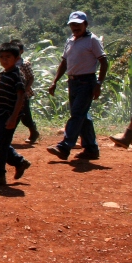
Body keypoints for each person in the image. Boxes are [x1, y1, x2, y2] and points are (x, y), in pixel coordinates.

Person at [47, 11, 108, 161]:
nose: (75, 27)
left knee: (77, 114)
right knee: (83, 116)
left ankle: (65, 146)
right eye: (72, 24)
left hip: (87, 82)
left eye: (78, 24)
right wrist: (55, 81)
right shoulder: (70, 40)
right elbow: (64, 62)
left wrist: (99, 83)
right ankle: (91, 149)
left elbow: (104, 61)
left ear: (85, 24)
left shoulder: (92, 40)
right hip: (73, 82)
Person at [0, 42, 30, 187]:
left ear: (17, 58)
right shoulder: (4, 74)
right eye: (2, 57)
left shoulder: (17, 75)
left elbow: (20, 96)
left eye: (8, 57)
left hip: (9, 114)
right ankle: (19, 161)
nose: (4, 60)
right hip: (0, 114)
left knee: (1, 144)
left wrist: (13, 117)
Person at [10, 39, 41, 143]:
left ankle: (33, 131)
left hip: (23, 94)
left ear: (21, 51)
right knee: (14, 114)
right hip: (12, 93)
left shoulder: (24, 63)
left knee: (25, 116)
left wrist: (25, 91)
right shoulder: (9, 63)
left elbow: (31, 78)